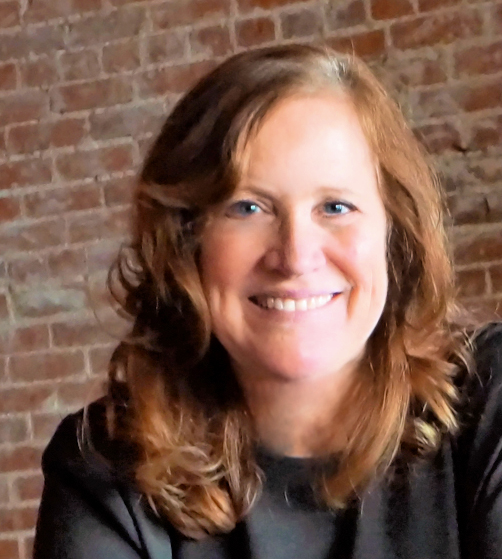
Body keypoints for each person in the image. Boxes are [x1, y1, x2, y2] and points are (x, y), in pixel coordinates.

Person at [34, 44, 502, 559]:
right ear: (186, 241)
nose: (295, 256)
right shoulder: (105, 466)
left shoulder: (490, 398)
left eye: (335, 206)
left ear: (395, 235)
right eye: (248, 207)